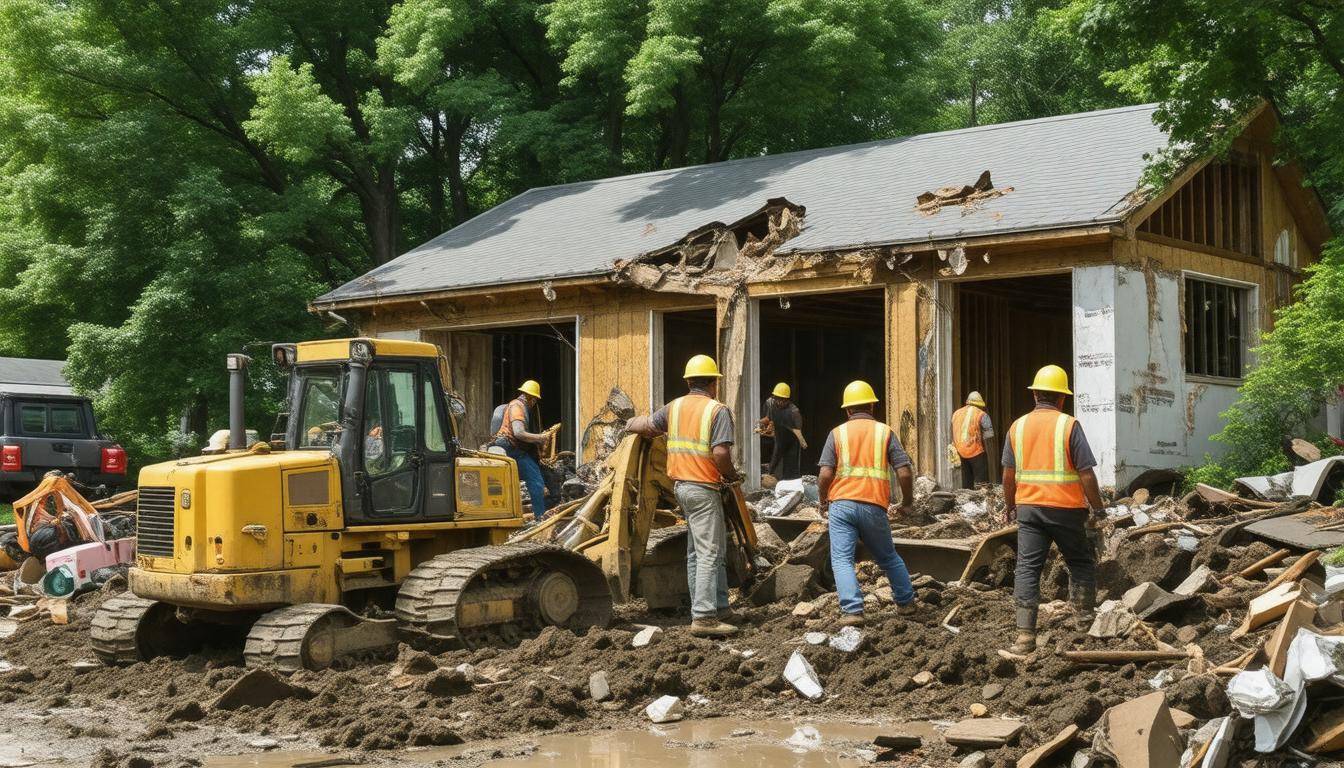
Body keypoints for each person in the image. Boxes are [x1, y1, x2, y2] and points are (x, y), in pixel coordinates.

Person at [627, 354, 740, 637]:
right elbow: (720, 453)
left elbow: (647, 426)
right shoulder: (718, 410)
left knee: (697, 550)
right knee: (709, 552)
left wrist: (629, 424)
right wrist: (732, 476)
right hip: (704, 488)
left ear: (689, 381)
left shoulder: (674, 407)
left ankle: (719, 606)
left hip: (681, 489)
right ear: (714, 383)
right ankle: (704, 616)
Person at [1002, 364, 1106, 654]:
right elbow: (1086, 473)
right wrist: (1099, 509)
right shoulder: (1068, 425)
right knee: (1080, 563)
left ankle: (1024, 637)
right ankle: (1084, 624)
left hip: (1029, 510)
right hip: (1067, 510)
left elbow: (1008, 475)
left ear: (1035, 394)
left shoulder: (1017, 426)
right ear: (1062, 398)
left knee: (1027, 568)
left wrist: (1010, 505)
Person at [817, 380, 918, 627]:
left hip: (841, 505)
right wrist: (906, 503)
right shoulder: (885, 432)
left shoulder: (836, 433)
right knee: (888, 557)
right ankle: (906, 603)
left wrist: (823, 501)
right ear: (873, 406)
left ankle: (852, 611)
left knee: (841, 559)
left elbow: (825, 475)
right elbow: (904, 472)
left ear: (847, 410)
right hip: (874, 504)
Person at [493, 380, 554, 521]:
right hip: (511, 447)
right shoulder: (517, 407)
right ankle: (540, 517)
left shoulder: (520, 406)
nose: (534, 403)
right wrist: (541, 438)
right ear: (531, 398)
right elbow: (519, 433)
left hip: (512, 447)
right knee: (536, 481)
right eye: (535, 400)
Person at [760, 382, 806, 480]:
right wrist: (759, 424)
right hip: (778, 437)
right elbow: (767, 418)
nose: (780, 402)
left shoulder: (794, 412)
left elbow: (798, 431)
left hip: (791, 441)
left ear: (787, 400)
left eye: (783, 399)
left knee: (790, 469)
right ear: (774, 397)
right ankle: (770, 474)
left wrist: (802, 441)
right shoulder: (770, 403)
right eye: (777, 398)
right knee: (774, 461)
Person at [951, 391, 994, 488]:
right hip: (976, 452)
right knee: (982, 485)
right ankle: (982, 494)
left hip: (960, 452)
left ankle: (968, 499)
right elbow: (989, 437)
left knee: (967, 484)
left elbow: (955, 431)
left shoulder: (956, 413)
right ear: (980, 404)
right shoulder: (982, 414)